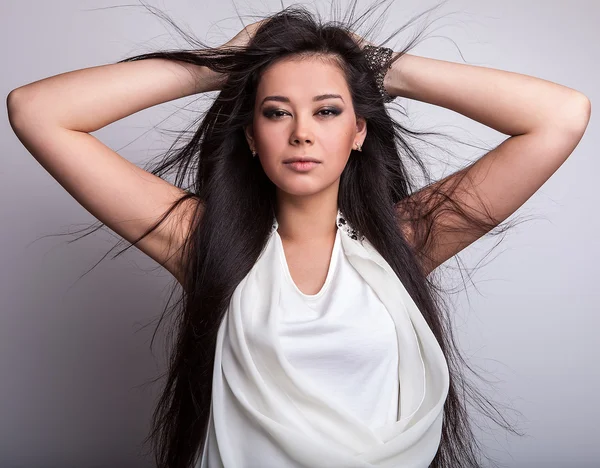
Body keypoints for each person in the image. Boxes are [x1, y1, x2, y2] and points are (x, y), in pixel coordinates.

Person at [6, 1, 591, 467]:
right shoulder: (204, 239)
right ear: (251, 136)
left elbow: (560, 116)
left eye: (328, 111)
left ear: (359, 131)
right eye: (277, 111)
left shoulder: (405, 240)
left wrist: (377, 65)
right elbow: (36, 110)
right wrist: (226, 61)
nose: (302, 133)